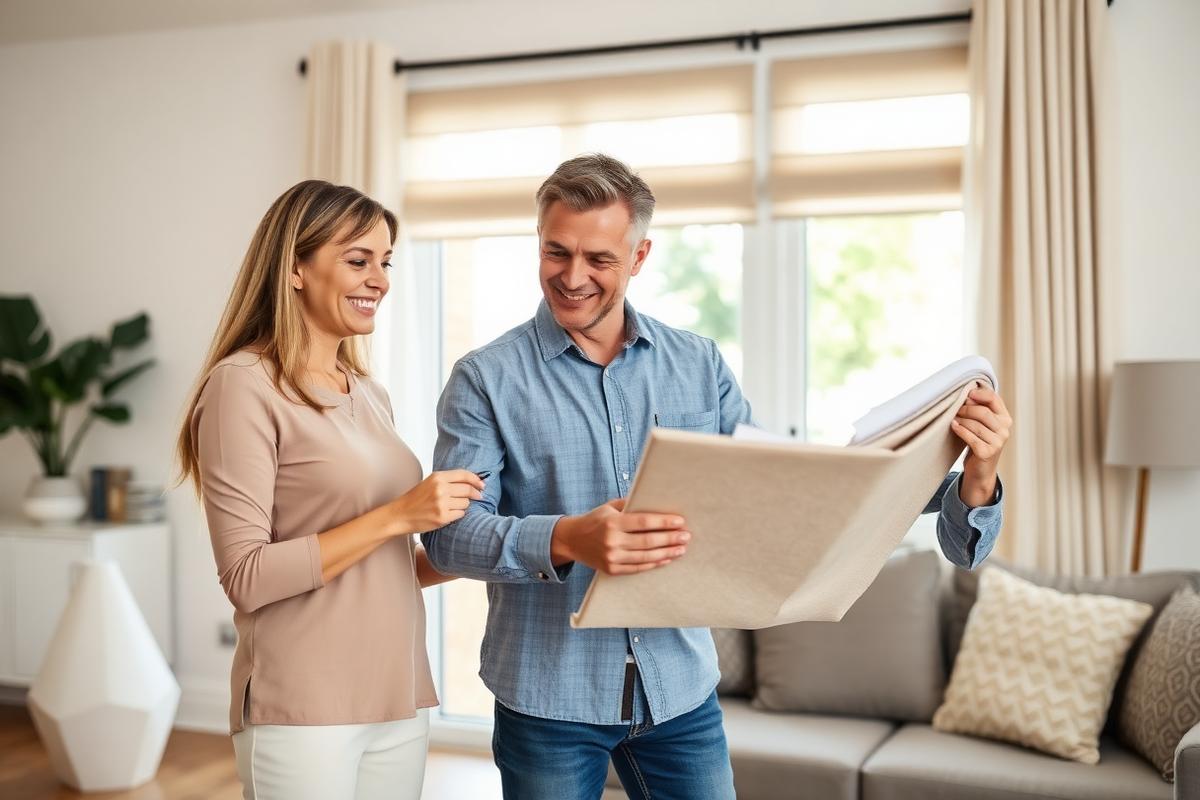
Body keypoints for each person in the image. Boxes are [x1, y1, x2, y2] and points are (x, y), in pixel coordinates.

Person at [424, 154, 1012, 799]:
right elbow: (450, 540)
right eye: (555, 253)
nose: (572, 277)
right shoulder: (484, 379)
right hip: (547, 695)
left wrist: (971, 475)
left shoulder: (697, 363)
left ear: (640, 256)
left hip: (679, 688)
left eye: (600, 260)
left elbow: (778, 492)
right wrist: (567, 538)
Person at [175, 179, 484, 800]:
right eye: (358, 260)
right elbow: (247, 575)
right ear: (295, 267)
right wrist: (399, 513)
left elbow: (384, 565)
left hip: (398, 694)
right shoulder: (244, 386)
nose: (380, 279)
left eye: (386, 262)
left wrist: (482, 547)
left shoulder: (369, 393)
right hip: (303, 707)